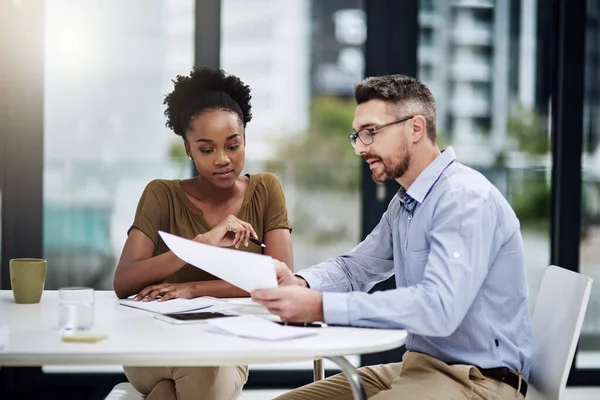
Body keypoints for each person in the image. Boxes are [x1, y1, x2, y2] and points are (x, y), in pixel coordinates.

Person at [252, 74, 533, 400]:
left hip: (477, 381)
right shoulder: (407, 202)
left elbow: (439, 308)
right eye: (357, 136)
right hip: (419, 366)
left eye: (371, 133)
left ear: (416, 128)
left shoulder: (463, 198)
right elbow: (354, 268)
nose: (360, 148)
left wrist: (321, 306)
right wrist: (300, 285)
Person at [113, 66, 293, 400]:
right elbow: (124, 281)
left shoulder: (266, 190)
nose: (223, 160)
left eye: (233, 145)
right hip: (154, 345)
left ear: (244, 140)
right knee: (199, 372)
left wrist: (192, 288)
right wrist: (198, 245)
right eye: (207, 149)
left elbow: (280, 279)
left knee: (178, 388)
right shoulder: (161, 194)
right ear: (188, 148)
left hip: (226, 348)